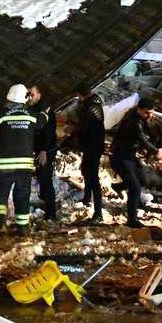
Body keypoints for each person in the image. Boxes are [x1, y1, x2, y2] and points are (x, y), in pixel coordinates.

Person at [0, 84, 39, 234]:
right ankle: (23, 228)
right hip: (24, 166)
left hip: (4, 166)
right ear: (25, 98)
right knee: (22, 196)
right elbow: (43, 122)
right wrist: (38, 103)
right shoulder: (32, 115)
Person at [110, 97, 162, 228]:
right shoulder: (133, 121)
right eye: (147, 112)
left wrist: (160, 146)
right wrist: (156, 152)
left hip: (130, 155)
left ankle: (118, 187)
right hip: (120, 156)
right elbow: (142, 140)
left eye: (152, 112)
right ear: (139, 109)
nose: (150, 115)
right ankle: (132, 219)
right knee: (134, 188)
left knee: (143, 180)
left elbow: (150, 136)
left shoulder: (142, 118)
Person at [74, 84, 107, 224]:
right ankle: (87, 198)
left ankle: (98, 213)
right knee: (87, 171)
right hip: (95, 145)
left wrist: (72, 137)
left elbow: (83, 128)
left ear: (81, 94)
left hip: (91, 146)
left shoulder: (88, 108)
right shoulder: (95, 103)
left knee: (92, 177)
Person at [27, 83, 58, 221]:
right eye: (28, 95)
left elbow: (48, 132)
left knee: (45, 178)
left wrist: (44, 150)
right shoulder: (32, 108)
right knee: (41, 178)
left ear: (39, 95)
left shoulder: (45, 110)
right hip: (39, 149)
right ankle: (46, 206)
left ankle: (51, 212)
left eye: (32, 95)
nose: (29, 98)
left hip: (46, 150)